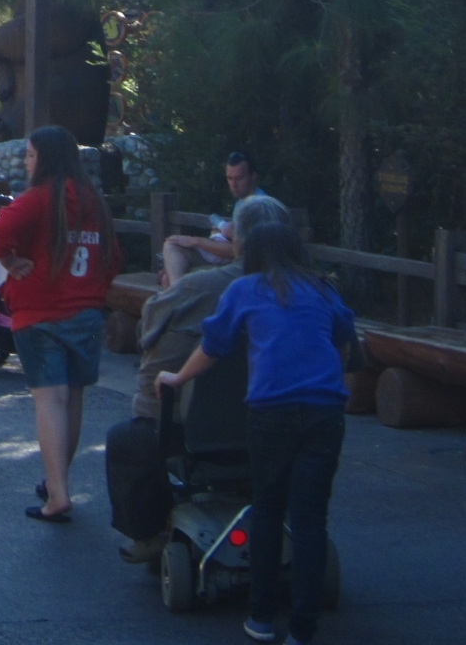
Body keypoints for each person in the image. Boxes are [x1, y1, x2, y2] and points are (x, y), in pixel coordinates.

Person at [158, 222, 357, 645]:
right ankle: (303, 628)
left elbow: (213, 346)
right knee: (309, 517)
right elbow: (343, 340)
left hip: (272, 411)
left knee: (267, 506)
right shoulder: (324, 290)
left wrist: (178, 378)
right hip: (324, 410)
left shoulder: (246, 290)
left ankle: (262, 617)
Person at [106, 192, 290, 563]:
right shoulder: (308, 290)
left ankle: (147, 533)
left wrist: (174, 286)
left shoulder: (202, 287)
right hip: (281, 422)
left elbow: (148, 334)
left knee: (128, 440)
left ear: (238, 240)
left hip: (193, 424)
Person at [0, 124, 118, 523]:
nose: (26, 162)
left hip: (40, 311)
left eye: (29, 155)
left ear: (43, 159)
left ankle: (57, 492)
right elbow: (112, 256)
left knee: (49, 400)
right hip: (85, 309)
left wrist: (10, 262)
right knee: (73, 398)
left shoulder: (38, 198)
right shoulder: (94, 200)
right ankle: (58, 480)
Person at [161, 150, 260, 286]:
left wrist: (196, 241)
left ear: (253, 176)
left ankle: (177, 293)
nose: (233, 185)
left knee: (170, 279)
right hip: (224, 260)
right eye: (230, 178)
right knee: (172, 245)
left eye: (239, 178)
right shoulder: (240, 203)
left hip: (240, 269)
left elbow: (239, 252)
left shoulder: (258, 207)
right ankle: (177, 290)